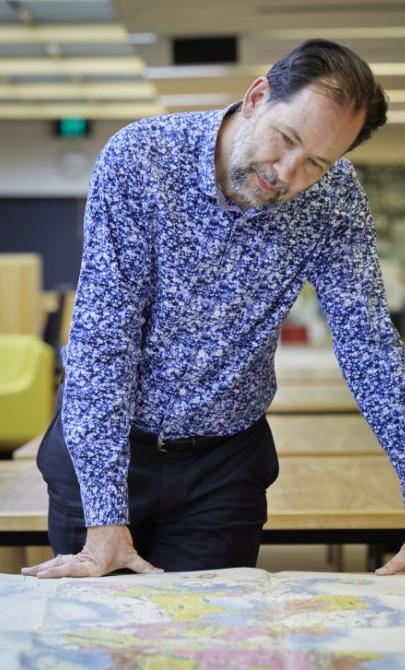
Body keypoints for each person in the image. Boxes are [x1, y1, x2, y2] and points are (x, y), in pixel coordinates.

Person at [23, 38, 405, 579]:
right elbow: (104, 340)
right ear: (256, 97)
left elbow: (370, 347)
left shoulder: (335, 199)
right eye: (285, 139)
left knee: (211, 644)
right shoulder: (142, 158)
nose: (288, 174)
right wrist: (106, 517)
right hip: (105, 449)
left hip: (223, 469)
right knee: (99, 645)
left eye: (317, 163)